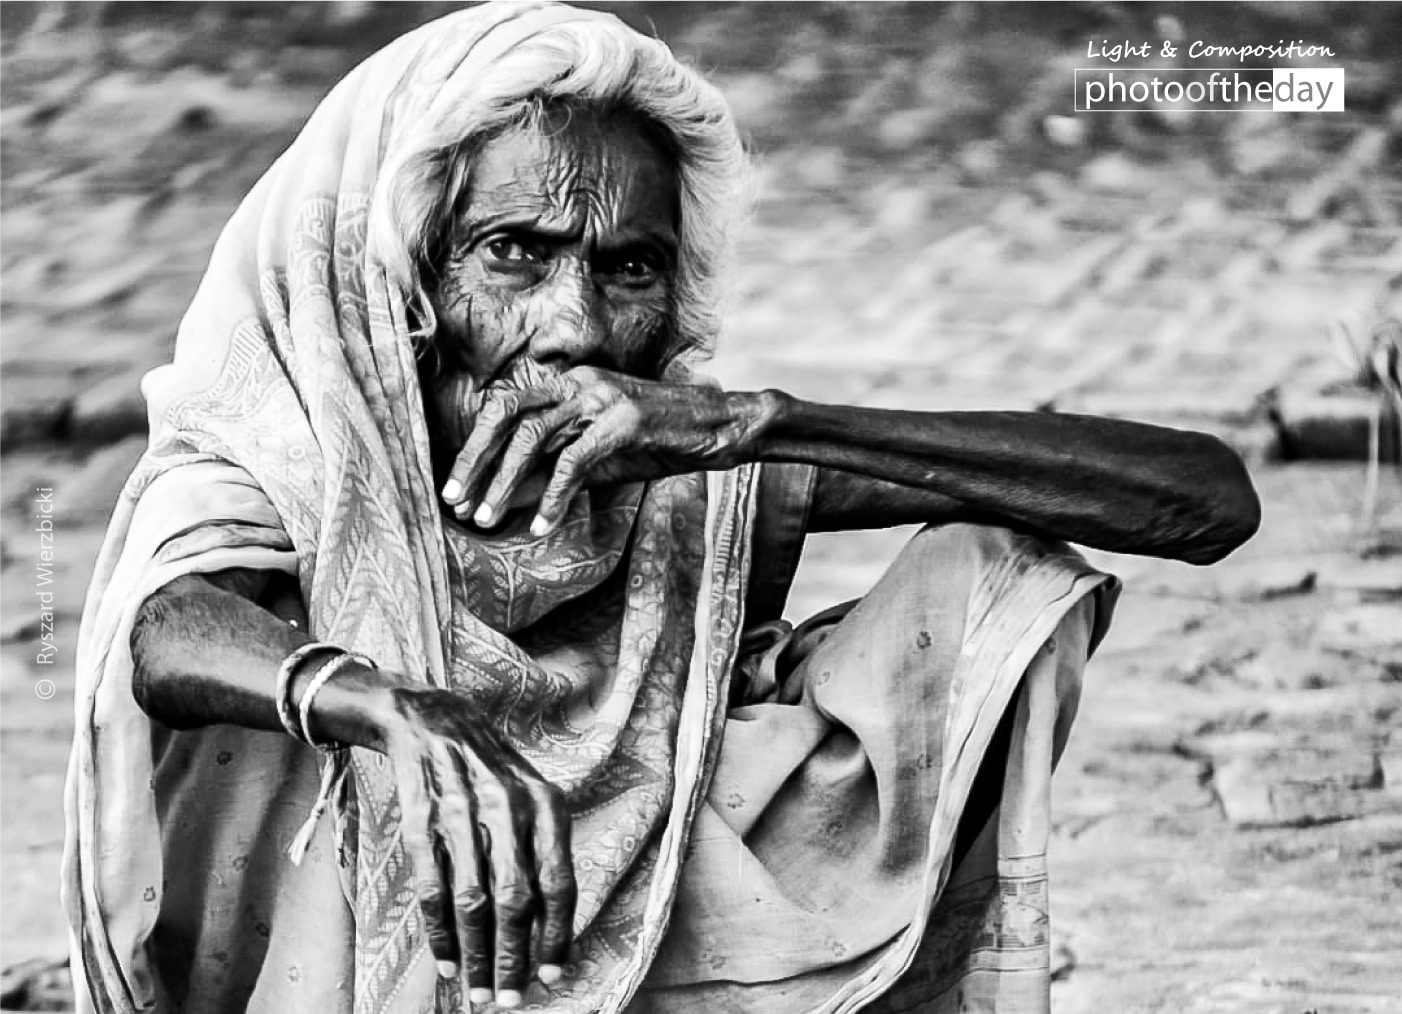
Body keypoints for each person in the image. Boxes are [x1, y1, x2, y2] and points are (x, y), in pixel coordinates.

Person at [61, 4, 1260, 1013]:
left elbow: (1202, 500)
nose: (575, 326)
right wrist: (396, 711)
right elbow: (161, 628)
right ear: (413, 276)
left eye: (626, 268)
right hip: (317, 933)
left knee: (994, 565)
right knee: (284, 708)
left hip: (641, 889)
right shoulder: (300, 433)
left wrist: (764, 424)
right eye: (514, 254)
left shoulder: (673, 443)